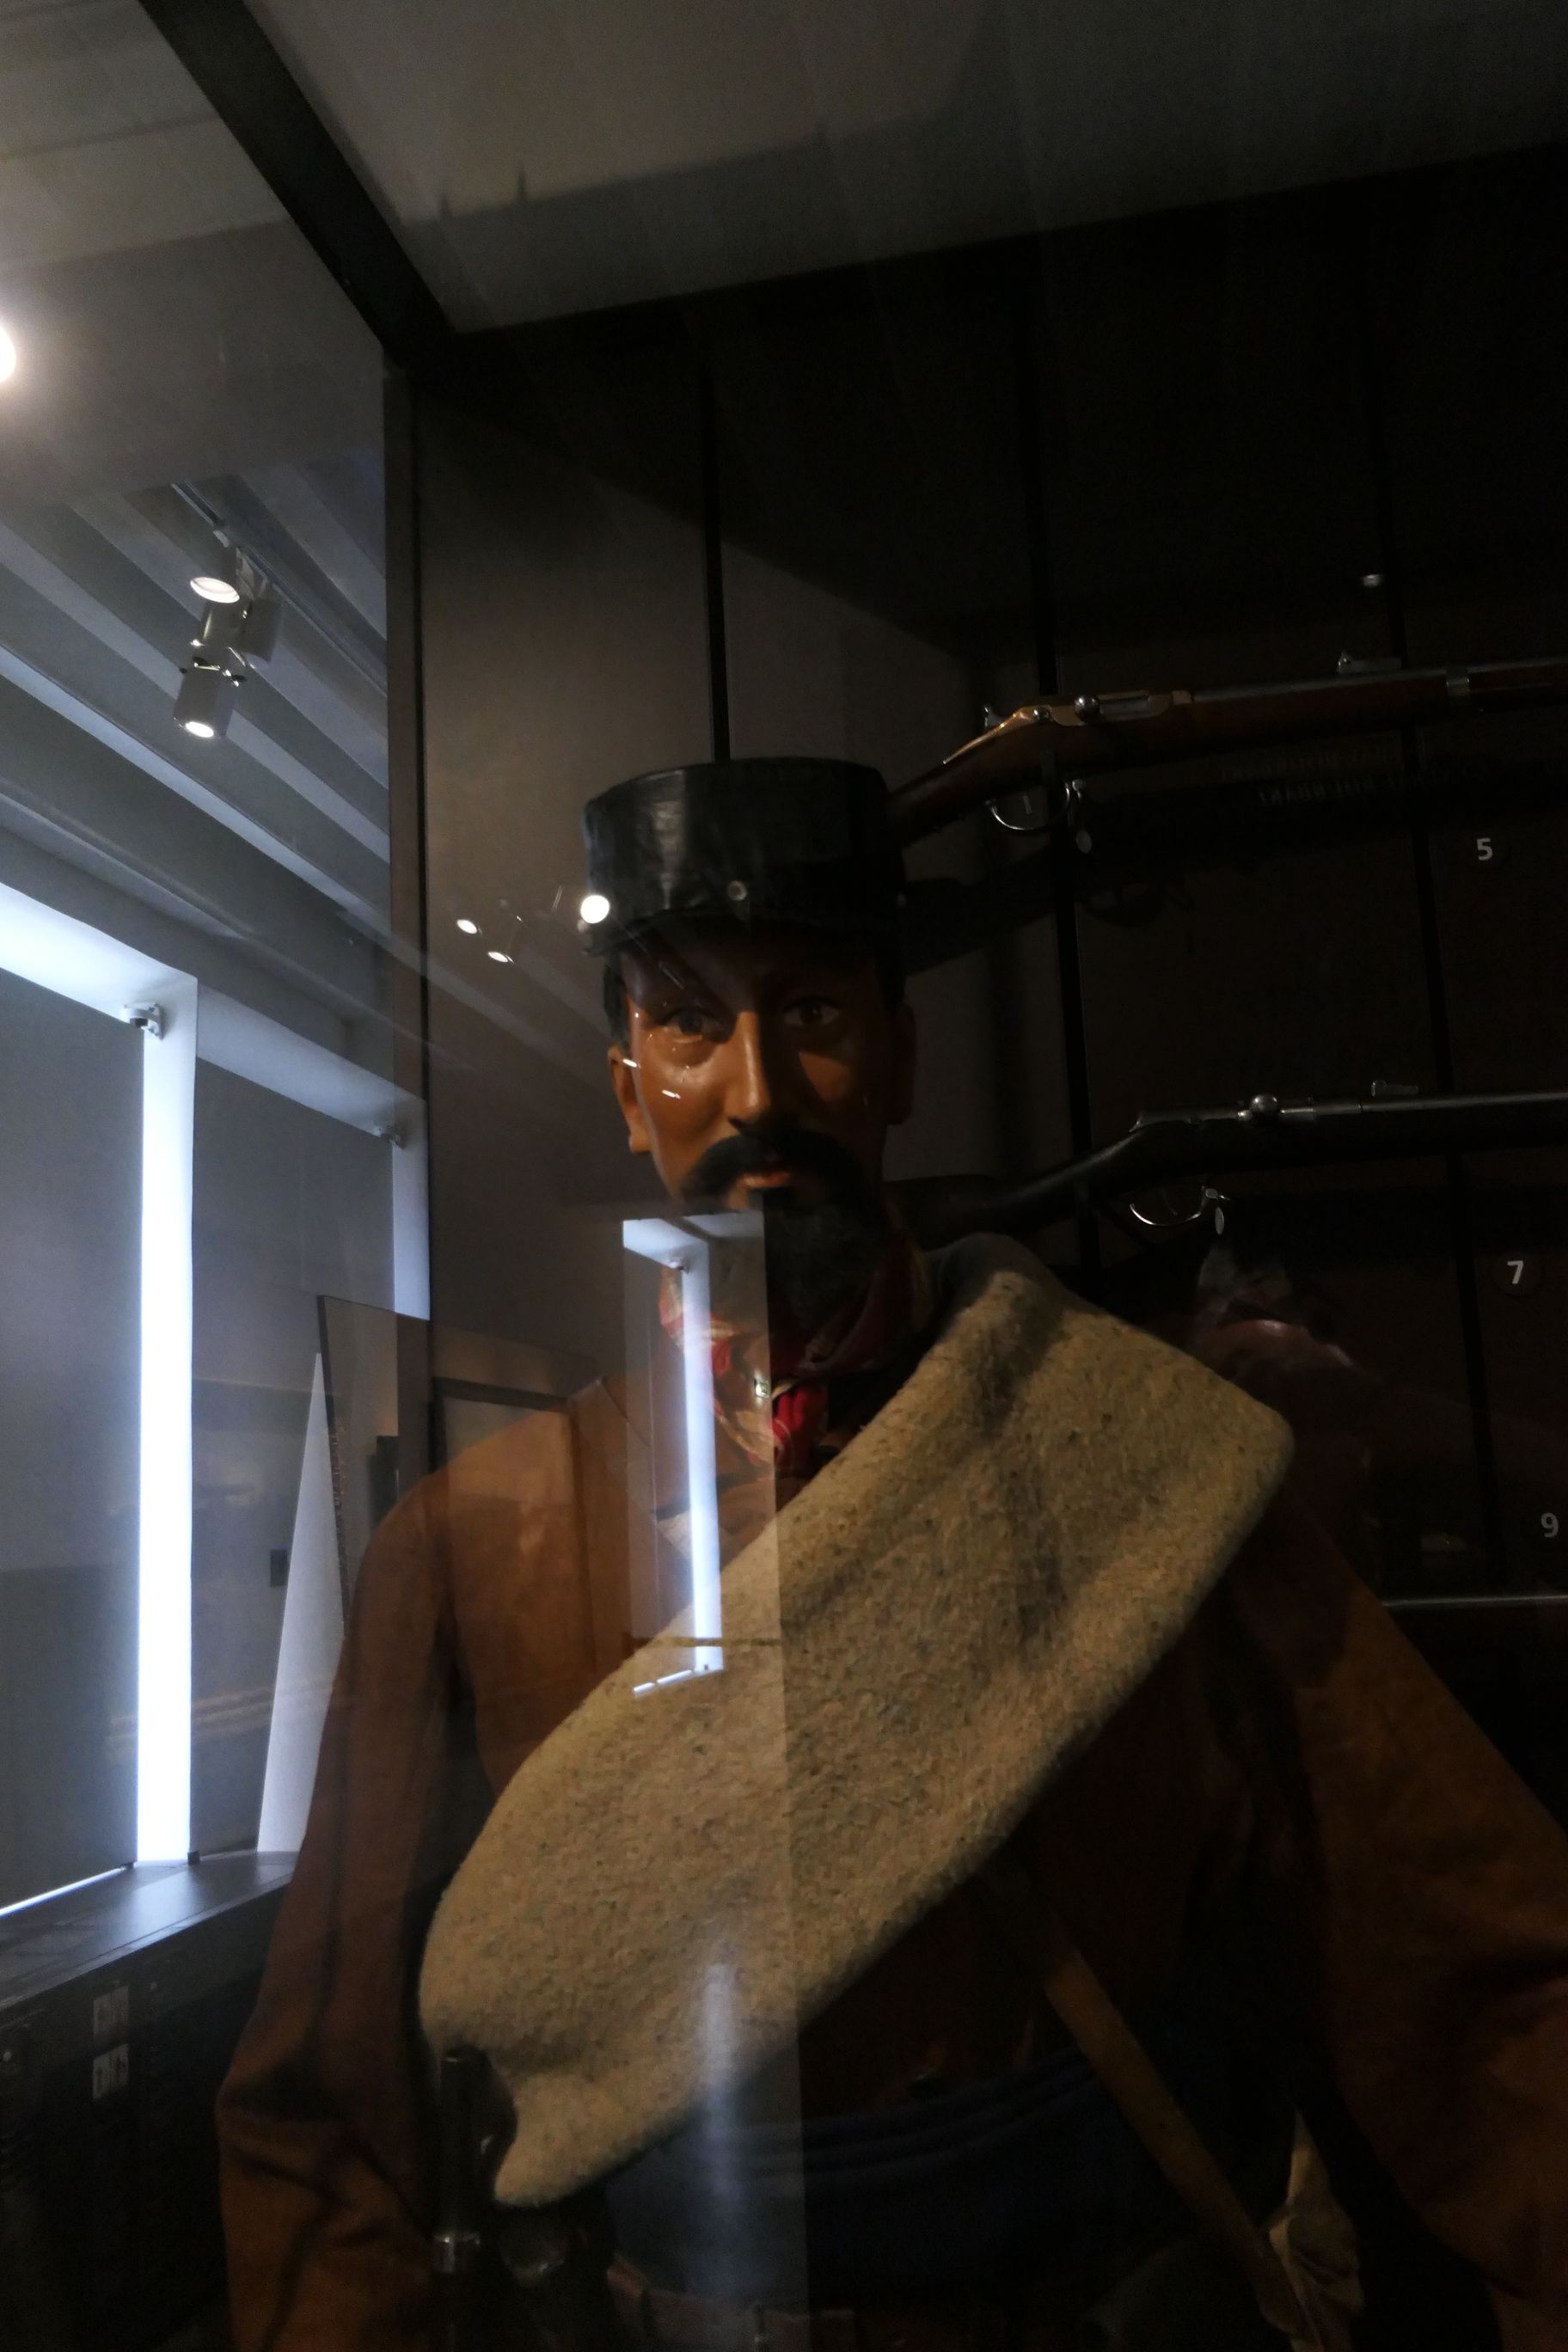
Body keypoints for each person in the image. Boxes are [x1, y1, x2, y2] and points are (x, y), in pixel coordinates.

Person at [219, 758, 1568, 2352]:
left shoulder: (1154, 1458)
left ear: (902, 1056)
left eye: (813, 1013)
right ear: (628, 1089)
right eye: (690, 1026)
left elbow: (1466, 1983)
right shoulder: (473, 1541)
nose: (758, 1093)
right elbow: (326, 2123)